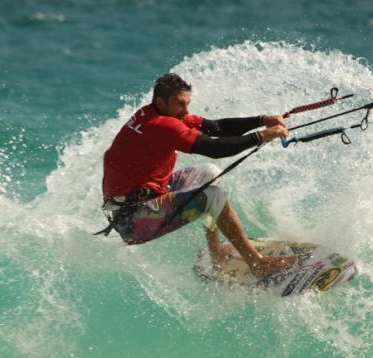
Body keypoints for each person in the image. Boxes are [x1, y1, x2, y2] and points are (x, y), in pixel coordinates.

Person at [99, 73, 297, 279]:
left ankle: (216, 252)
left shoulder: (153, 114)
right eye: (180, 104)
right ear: (160, 102)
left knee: (210, 173)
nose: (186, 111)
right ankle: (257, 264)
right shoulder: (161, 125)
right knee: (213, 195)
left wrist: (262, 120)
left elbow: (216, 128)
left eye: (187, 104)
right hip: (134, 222)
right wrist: (263, 135)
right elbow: (214, 147)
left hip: (150, 197)